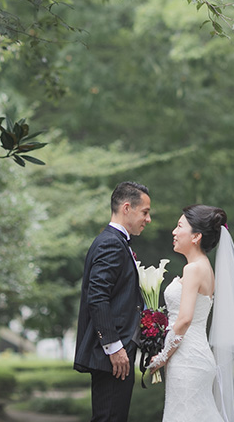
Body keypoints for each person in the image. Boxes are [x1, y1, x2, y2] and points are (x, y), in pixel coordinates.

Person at [148, 205, 234, 422]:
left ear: (196, 236)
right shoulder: (205, 268)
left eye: (179, 226)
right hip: (195, 357)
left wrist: (160, 357)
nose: (174, 232)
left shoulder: (193, 269)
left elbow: (184, 320)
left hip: (187, 360)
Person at [75, 181, 153, 422]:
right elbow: (96, 296)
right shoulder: (111, 243)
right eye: (145, 212)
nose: (148, 219)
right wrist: (114, 346)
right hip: (112, 356)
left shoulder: (116, 242)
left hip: (116, 354)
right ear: (127, 208)